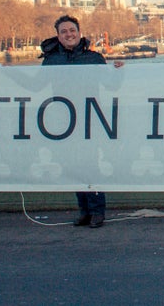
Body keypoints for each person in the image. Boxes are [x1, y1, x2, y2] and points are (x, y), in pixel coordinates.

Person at [41, 14, 110, 227]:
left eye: (72, 30)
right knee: (72, 164)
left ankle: (97, 210)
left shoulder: (95, 58)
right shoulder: (51, 61)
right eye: (64, 32)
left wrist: (118, 71)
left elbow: (112, 86)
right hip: (64, 119)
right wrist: (7, 75)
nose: (69, 34)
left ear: (79, 33)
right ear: (58, 36)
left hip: (90, 117)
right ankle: (84, 210)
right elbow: (35, 86)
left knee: (90, 163)